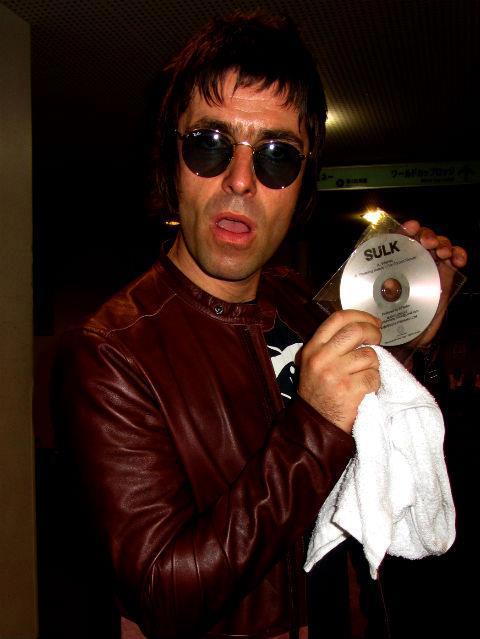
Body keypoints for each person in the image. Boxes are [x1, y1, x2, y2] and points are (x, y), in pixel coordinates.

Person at [53, 11, 467, 639]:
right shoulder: (111, 354)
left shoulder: (298, 299)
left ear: (301, 185)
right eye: (209, 144)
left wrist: (409, 341)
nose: (241, 180)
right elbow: (163, 594)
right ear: (171, 161)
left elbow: (372, 450)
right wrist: (314, 427)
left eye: (277, 156)